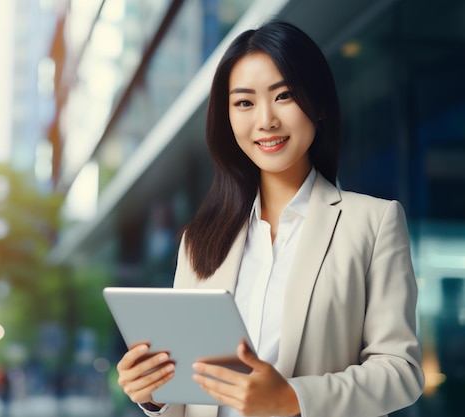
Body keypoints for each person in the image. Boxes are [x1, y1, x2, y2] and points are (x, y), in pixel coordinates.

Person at [116, 20, 424, 417]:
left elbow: (401, 371)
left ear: (319, 103)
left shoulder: (372, 223)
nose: (266, 120)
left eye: (284, 96)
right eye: (244, 102)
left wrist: (293, 399)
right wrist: (154, 393)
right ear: (227, 117)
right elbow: (188, 392)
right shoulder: (200, 240)